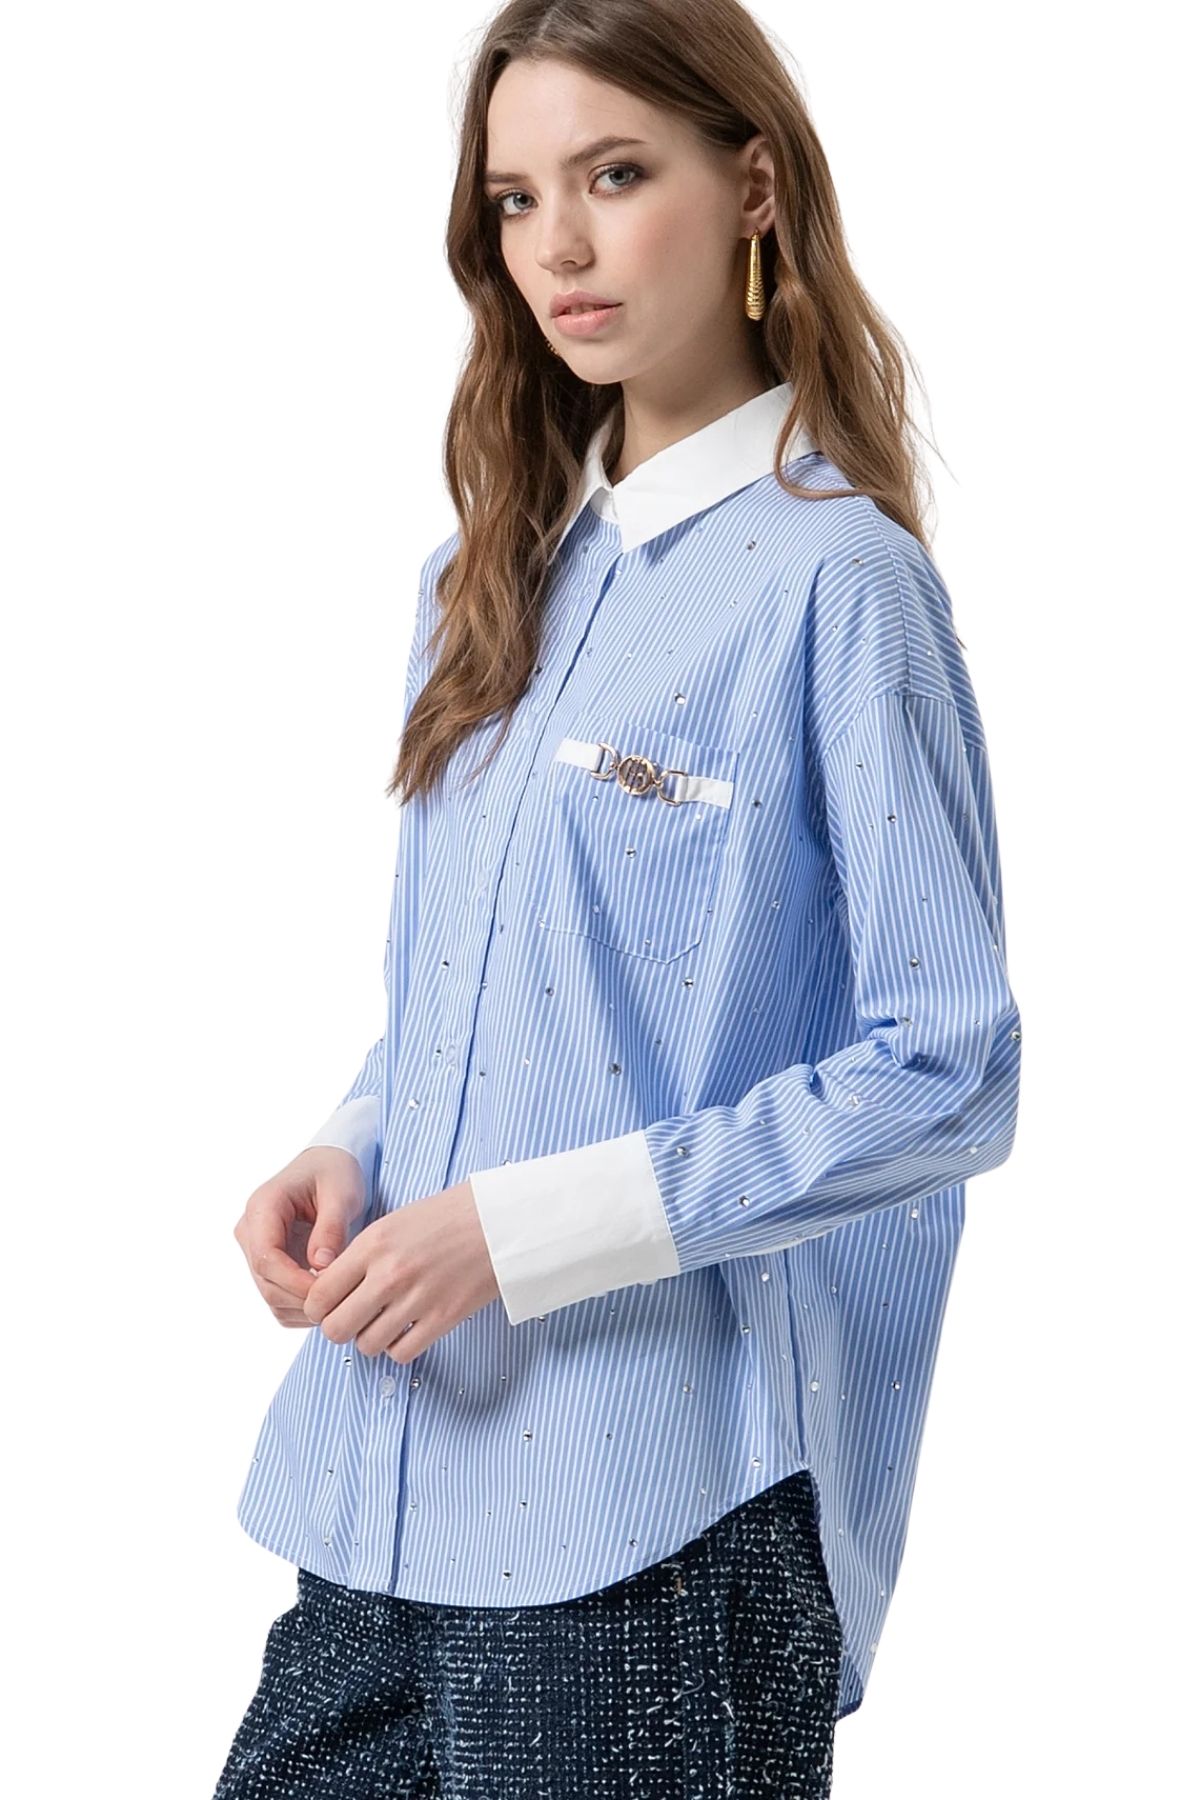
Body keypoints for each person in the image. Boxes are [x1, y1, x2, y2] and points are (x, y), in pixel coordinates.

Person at [214, 1, 1022, 1794]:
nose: (557, 248)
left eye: (615, 175)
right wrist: (359, 1136)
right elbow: (507, 977)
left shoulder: (838, 584)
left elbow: (947, 1071)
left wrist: (523, 1229)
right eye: (515, 200)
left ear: (755, 188)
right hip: (382, 1483)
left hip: (650, 1530)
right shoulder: (481, 573)